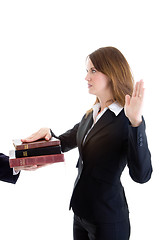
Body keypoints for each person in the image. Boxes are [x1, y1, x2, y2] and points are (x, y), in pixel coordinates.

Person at [22, 47, 152, 240]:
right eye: (87, 71)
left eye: (93, 71)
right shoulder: (92, 114)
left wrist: (136, 124)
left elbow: (142, 176)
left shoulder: (127, 118)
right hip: (81, 214)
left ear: (111, 73)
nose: (86, 78)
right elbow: (64, 141)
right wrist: (47, 137)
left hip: (108, 220)